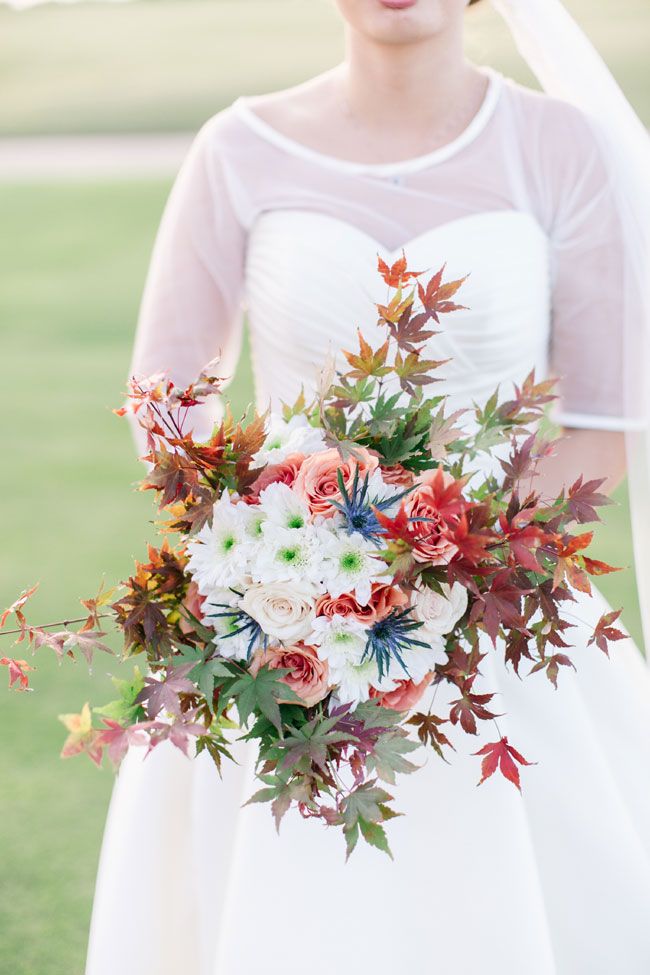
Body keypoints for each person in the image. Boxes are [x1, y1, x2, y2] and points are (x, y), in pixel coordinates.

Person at [85, 1, 650, 972]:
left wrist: (439, 560)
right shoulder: (241, 146)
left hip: (500, 617)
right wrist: (285, 558)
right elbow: (168, 414)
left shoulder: (559, 147)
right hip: (280, 613)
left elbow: (601, 434)